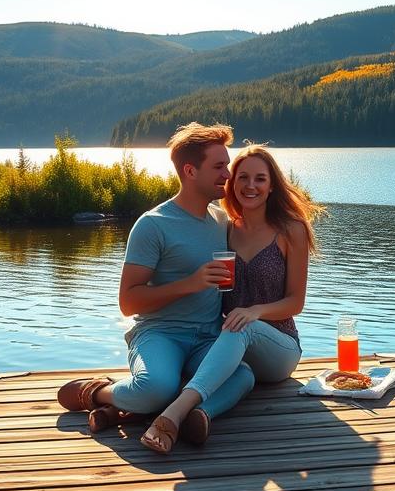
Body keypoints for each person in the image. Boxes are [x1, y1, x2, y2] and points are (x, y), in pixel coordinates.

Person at [57, 122, 255, 443]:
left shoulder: (221, 220)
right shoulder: (152, 225)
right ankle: (100, 394)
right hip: (161, 334)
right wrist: (189, 283)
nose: (228, 174)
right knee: (156, 387)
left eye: (228, 165)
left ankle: (195, 415)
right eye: (219, 166)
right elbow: (128, 301)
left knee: (243, 375)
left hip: (206, 337)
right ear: (190, 171)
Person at [140, 144, 323, 453]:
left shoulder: (291, 230)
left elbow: (296, 302)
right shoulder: (224, 228)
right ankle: (198, 415)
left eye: (260, 179)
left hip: (278, 348)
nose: (250, 186)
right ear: (232, 183)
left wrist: (255, 311)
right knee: (203, 358)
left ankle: (173, 413)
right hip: (228, 346)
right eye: (243, 177)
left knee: (243, 325)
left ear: (272, 184)